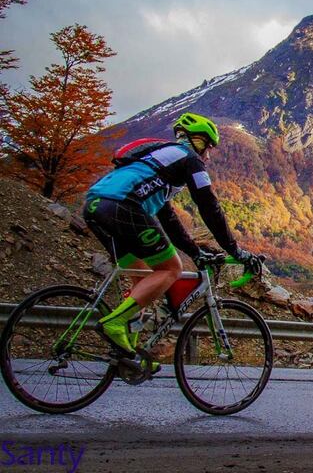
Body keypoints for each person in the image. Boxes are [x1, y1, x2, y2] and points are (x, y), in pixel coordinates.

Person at [83, 112, 257, 359]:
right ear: (195, 141)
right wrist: (234, 250)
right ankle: (114, 323)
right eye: (206, 146)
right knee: (171, 269)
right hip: (123, 205)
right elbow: (209, 206)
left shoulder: (157, 165)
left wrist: (196, 253)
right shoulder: (188, 158)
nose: (207, 154)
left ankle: (128, 353)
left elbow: (169, 220)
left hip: (94, 205)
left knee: (142, 282)